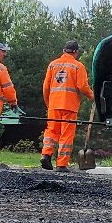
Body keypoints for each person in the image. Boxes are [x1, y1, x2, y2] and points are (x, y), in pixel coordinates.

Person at [40, 39, 93, 171]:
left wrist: (48, 103)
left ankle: (46, 154)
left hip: (53, 105)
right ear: (75, 52)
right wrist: (93, 97)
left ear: (64, 50)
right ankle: (61, 164)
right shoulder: (77, 66)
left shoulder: (52, 65)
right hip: (69, 105)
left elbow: (46, 87)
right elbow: (82, 86)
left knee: (51, 131)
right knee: (66, 134)